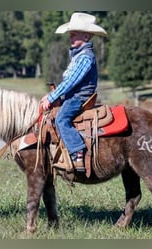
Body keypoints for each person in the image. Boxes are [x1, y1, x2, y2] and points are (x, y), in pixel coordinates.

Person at [40, 12, 107, 172]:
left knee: (62, 119)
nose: (70, 38)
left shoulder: (85, 57)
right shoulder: (78, 56)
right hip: (73, 96)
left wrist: (52, 96)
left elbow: (71, 82)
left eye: (74, 34)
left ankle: (77, 153)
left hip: (79, 97)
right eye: (70, 34)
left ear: (86, 37)